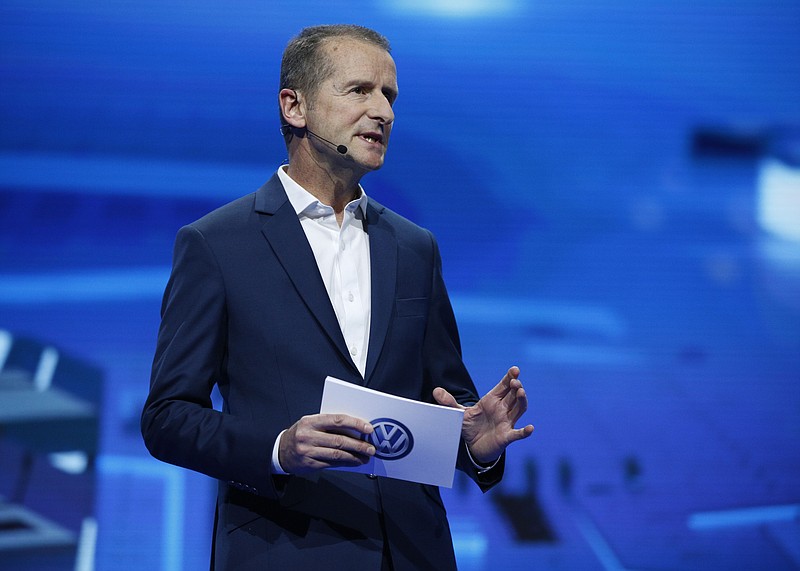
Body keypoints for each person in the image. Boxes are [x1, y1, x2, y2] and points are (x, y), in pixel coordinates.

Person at [141, 24, 533, 570]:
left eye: (390, 96)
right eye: (360, 91)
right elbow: (167, 417)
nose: (384, 113)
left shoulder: (415, 248)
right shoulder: (215, 244)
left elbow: (445, 399)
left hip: (412, 552)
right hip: (284, 550)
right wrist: (279, 447)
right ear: (294, 106)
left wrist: (474, 445)